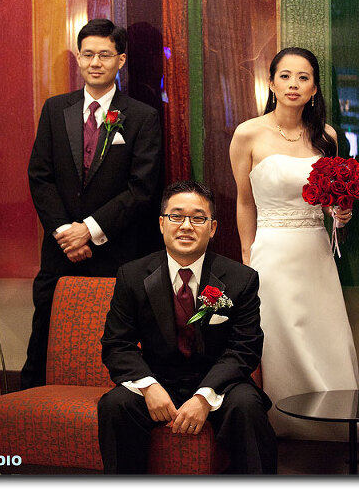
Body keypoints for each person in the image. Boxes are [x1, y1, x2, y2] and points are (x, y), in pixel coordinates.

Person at [229, 47, 359, 441]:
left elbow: (330, 202)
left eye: (303, 77)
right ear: (271, 83)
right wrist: (247, 257)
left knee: (323, 333)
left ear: (314, 88)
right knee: (278, 337)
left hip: (315, 249)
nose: (294, 84)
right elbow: (244, 201)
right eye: (285, 76)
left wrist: (341, 213)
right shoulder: (248, 133)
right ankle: (281, 423)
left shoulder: (327, 136)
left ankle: (334, 424)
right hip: (270, 251)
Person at [98, 181, 277, 474]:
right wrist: (149, 386)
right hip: (158, 379)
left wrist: (204, 396)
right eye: (176, 216)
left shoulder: (240, 279)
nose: (186, 226)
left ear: (213, 228)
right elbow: (117, 345)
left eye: (197, 218)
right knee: (115, 404)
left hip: (220, 384)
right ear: (161, 224)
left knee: (247, 405)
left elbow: (245, 348)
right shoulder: (132, 276)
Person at [24, 18, 163, 389]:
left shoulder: (143, 117)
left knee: (114, 350)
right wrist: (65, 233)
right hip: (61, 253)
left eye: (104, 55)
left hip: (116, 254)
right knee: (44, 346)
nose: (95, 63)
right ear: (79, 58)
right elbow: (40, 176)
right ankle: (35, 417)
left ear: (121, 60)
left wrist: (89, 230)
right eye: (87, 55)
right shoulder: (56, 109)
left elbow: (141, 189)